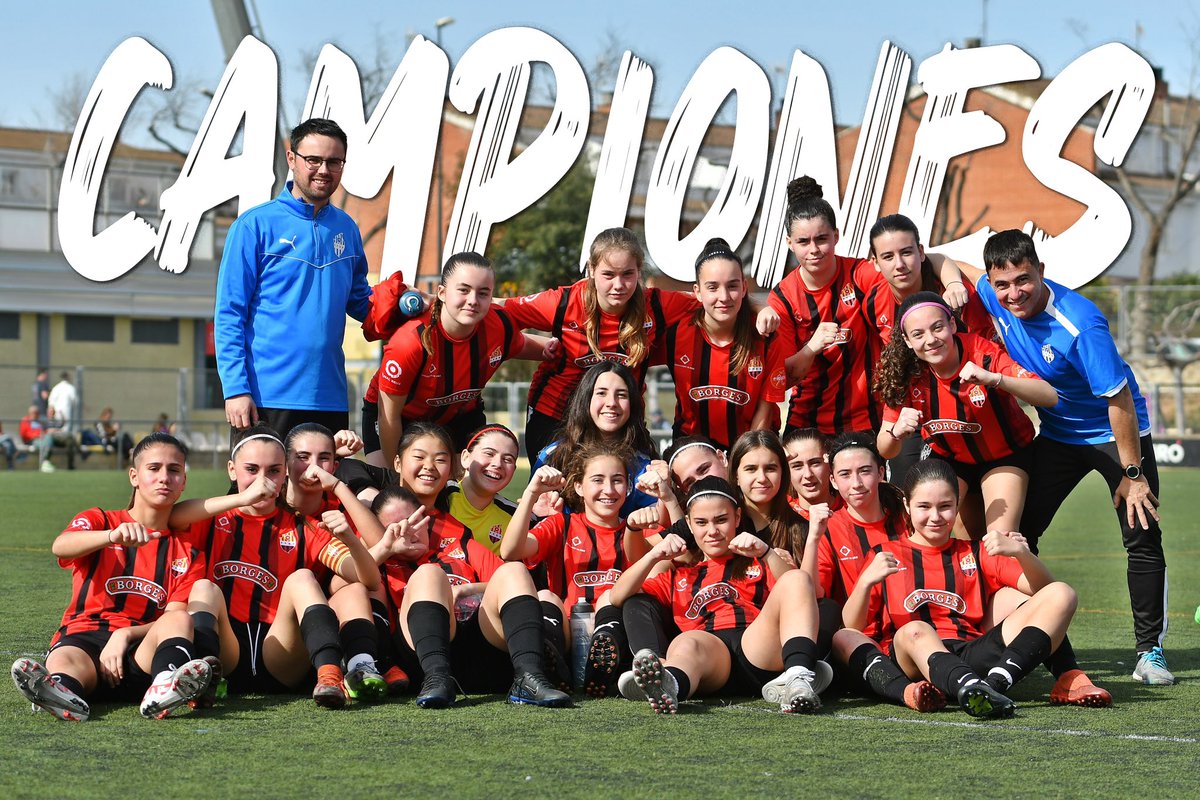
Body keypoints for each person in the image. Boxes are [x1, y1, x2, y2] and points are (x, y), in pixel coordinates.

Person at [957, 229, 1173, 685]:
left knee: (1141, 535)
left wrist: (1132, 473)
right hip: (1057, 434)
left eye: (1024, 280)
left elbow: (1118, 400)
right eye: (1004, 284)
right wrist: (952, 279)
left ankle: (1149, 652)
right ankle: (1028, 636)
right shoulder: (991, 293)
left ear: (1042, 272)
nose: (1014, 293)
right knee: (1016, 536)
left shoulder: (1081, 322)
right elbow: (941, 259)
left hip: (1115, 434)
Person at [843, 458, 1110, 715]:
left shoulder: (975, 552)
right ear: (907, 506)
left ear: (958, 504)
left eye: (945, 506)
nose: (935, 516)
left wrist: (1021, 553)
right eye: (924, 506)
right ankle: (970, 686)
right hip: (914, 660)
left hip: (970, 654)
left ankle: (993, 685)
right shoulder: (885, 554)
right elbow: (852, 627)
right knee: (915, 629)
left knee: (1062, 592)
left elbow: (1048, 594)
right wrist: (865, 583)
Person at [174, 425, 381, 709]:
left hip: (280, 654)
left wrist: (349, 539)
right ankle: (206, 680)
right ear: (232, 470)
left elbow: (367, 579)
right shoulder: (214, 518)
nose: (263, 480)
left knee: (302, 578)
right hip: (228, 655)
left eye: (273, 470)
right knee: (204, 588)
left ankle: (329, 675)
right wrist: (242, 498)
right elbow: (175, 516)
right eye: (251, 470)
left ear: (285, 472)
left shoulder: (303, 526)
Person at [9, 433, 214, 721]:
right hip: (85, 637)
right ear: (134, 476)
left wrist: (125, 634)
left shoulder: (188, 552)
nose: (164, 478)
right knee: (67, 659)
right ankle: (62, 692)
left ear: (184, 482)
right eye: (153, 469)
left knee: (180, 620)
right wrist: (110, 537)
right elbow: (61, 546)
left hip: (138, 652)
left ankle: (165, 686)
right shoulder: (101, 520)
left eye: (174, 470)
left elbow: (176, 614)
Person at [759, 177, 966, 436]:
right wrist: (812, 347)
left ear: (836, 236)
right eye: (803, 242)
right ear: (790, 242)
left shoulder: (860, 274)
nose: (814, 249)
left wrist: (954, 282)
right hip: (807, 421)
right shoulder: (783, 297)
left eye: (822, 239)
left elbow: (926, 260)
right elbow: (784, 378)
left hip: (869, 419)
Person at [609, 476, 831, 714]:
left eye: (721, 520)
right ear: (689, 524)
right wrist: (653, 555)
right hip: (710, 657)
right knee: (687, 641)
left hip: (756, 647)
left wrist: (767, 553)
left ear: (737, 517)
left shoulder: (757, 558)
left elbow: (803, 588)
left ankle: (798, 679)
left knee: (797, 578)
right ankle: (669, 684)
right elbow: (617, 596)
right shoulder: (679, 575)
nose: (712, 531)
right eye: (701, 523)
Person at [215, 118, 372, 438]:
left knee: (324, 488)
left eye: (334, 162)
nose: (324, 170)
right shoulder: (253, 226)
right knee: (259, 490)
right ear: (292, 159)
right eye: (313, 160)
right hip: (265, 397)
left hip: (329, 397)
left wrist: (412, 304)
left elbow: (362, 302)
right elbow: (229, 314)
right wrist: (235, 389)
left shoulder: (347, 228)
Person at [501, 227, 697, 466]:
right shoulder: (564, 302)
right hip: (555, 417)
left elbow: (716, 299)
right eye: (608, 274)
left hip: (620, 419)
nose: (619, 284)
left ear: (639, 271)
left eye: (627, 274)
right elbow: (499, 308)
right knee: (553, 495)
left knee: (635, 493)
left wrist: (756, 309)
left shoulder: (656, 305)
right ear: (591, 270)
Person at [874, 291, 1058, 535]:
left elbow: (1049, 396)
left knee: (998, 541)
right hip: (951, 459)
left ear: (952, 324)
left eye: (937, 327)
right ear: (907, 340)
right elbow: (885, 448)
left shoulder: (983, 353)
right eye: (918, 334)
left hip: (1004, 455)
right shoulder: (906, 371)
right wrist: (896, 432)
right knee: (926, 532)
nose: (930, 340)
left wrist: (996, 379)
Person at [369, 252, 550, 468]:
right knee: (383, 496)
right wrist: (395, 473)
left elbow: (538, 347)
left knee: (461, 495)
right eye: (463, 290)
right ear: (442, 293)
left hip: (460, 418)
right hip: (398, 420)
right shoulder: (409, 342)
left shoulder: (499, 326)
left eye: (483, 293)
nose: (473, 301)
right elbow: (388, 416)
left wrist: (579, 347)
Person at [502, 443, 652, 697]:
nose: (608, 490)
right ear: (579, 487)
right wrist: (531, 493)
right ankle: (552, 662)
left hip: (617, 637)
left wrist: (668, 496)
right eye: (597, 480)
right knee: (545, 597)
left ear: (628, 486)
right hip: (567, 634)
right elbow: (511, 551)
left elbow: (677, 553)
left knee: (612, 598)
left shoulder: (635, 529)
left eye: (617, 481)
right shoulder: (563, 523)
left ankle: (601, 661)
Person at [531, 362, 661, 520]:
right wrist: (541, 515)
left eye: (621, 394)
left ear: (632, 404)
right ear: (586, 400)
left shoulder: (645, 464)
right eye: (601, 393)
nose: (611, 403)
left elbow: (657, 529)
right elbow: (529, 522)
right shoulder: (552, 457)